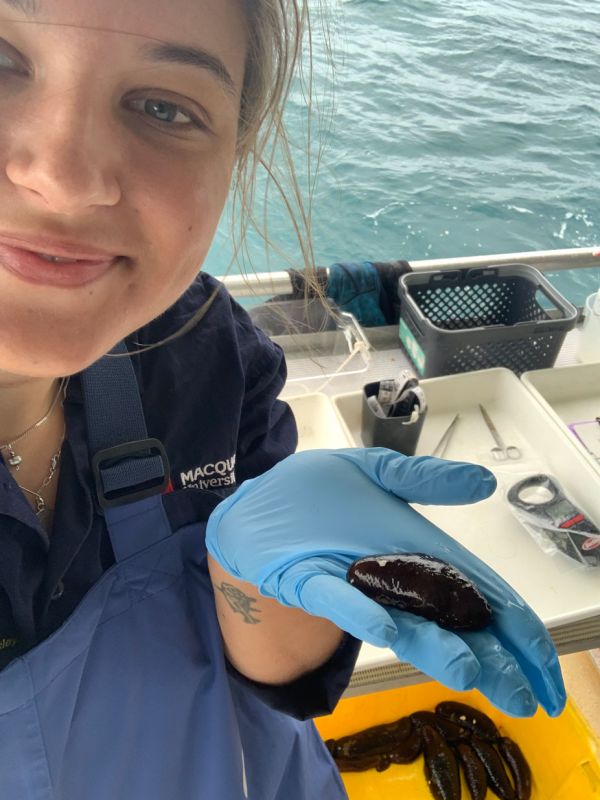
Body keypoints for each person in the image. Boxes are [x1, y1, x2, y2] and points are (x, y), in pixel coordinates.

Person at [0, 1, 565, 798]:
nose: (62, 176)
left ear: (236, 152)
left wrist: (250, 577)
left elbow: (274, 680)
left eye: (164, 107)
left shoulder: (203, 350)